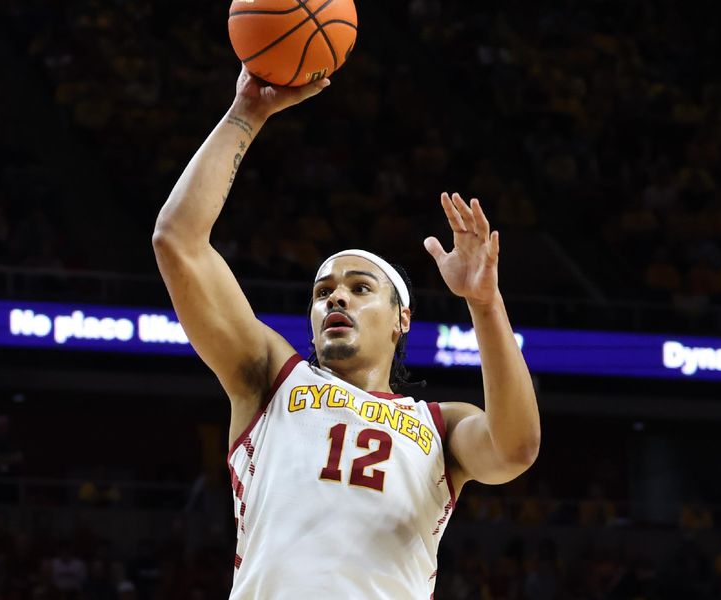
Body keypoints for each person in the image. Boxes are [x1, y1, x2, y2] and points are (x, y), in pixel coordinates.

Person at [153, 66, 541, 599]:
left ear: (401, 320)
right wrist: (247, 112)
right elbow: (178, 242)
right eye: (322, 292)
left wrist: (485, 304)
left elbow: (516, 449)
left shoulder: (441, 427)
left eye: (361, 288)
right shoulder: (272, 379)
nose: (336, 296)